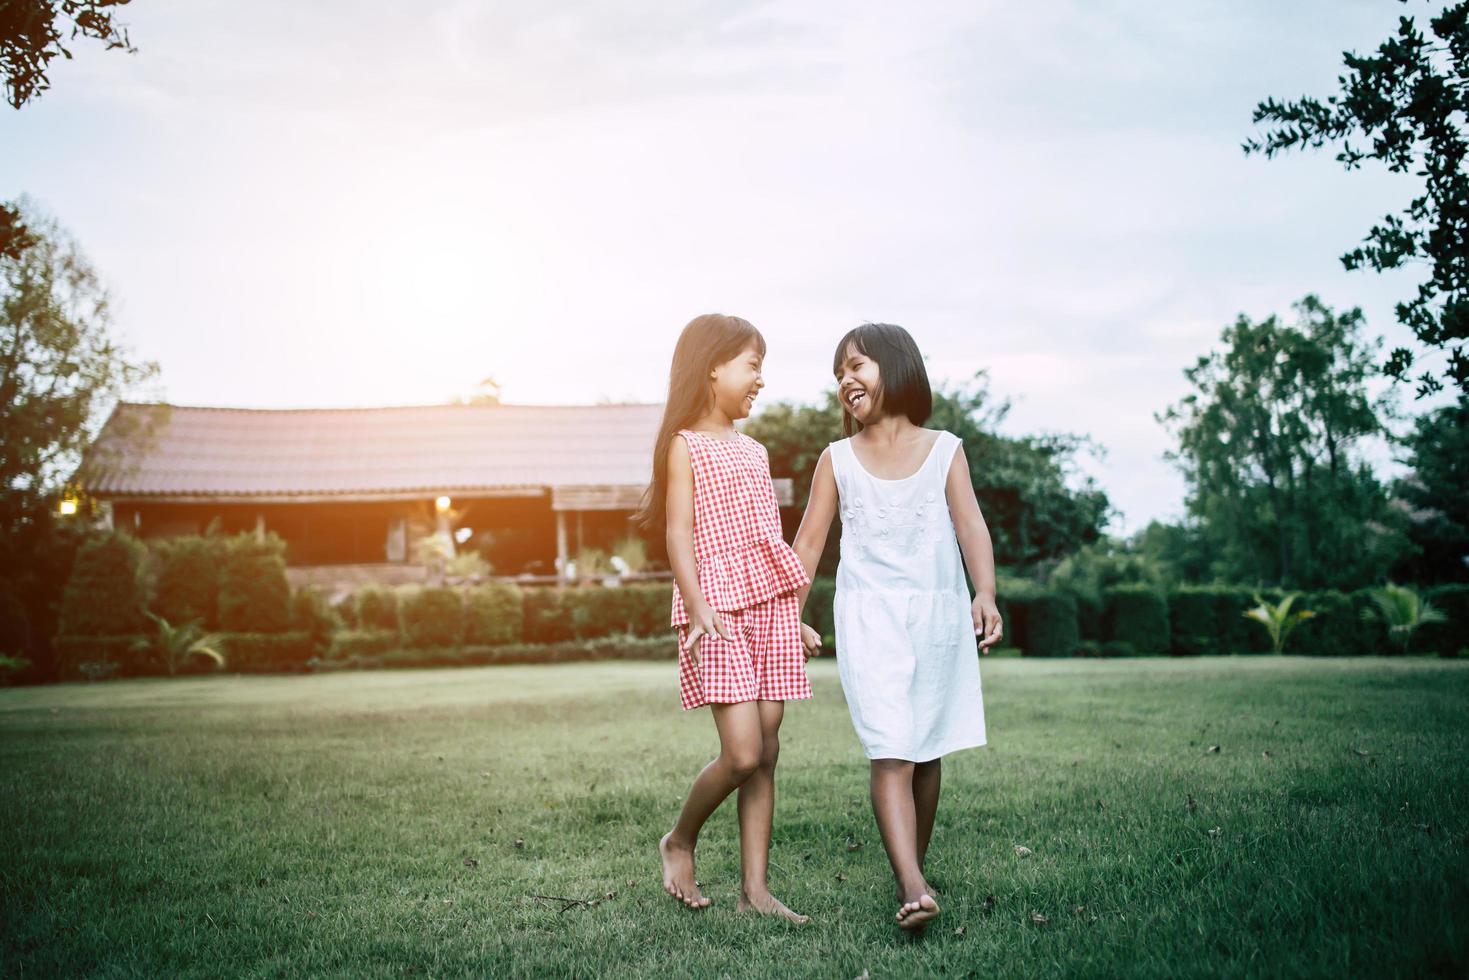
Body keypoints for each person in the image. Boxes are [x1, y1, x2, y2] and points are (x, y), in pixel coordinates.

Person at [791, 322, 1002, 930]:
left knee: (927, 749)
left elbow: (972, 527)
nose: (846, 380)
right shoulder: (836, 459)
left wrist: (984, 592)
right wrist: (792, 611)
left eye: (857, 365)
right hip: (869, 619)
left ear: (898, 366)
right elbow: (808, 543)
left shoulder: (945, 449)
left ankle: (912, 866)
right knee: (891, 751)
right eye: (838, 374)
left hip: (937, 615)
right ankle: (913, 884)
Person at [634, 312, 813, 923]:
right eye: (752, 365)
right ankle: (679, 839)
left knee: (766, 747)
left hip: (766, 606)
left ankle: (754, 892)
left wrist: (792, 615)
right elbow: (678, 534)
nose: (760, 380)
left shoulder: (756, 451)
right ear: (713, 366)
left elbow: (769, 539)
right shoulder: (686, 445)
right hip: (715, 605)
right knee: (740, 752)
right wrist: (698, 603)